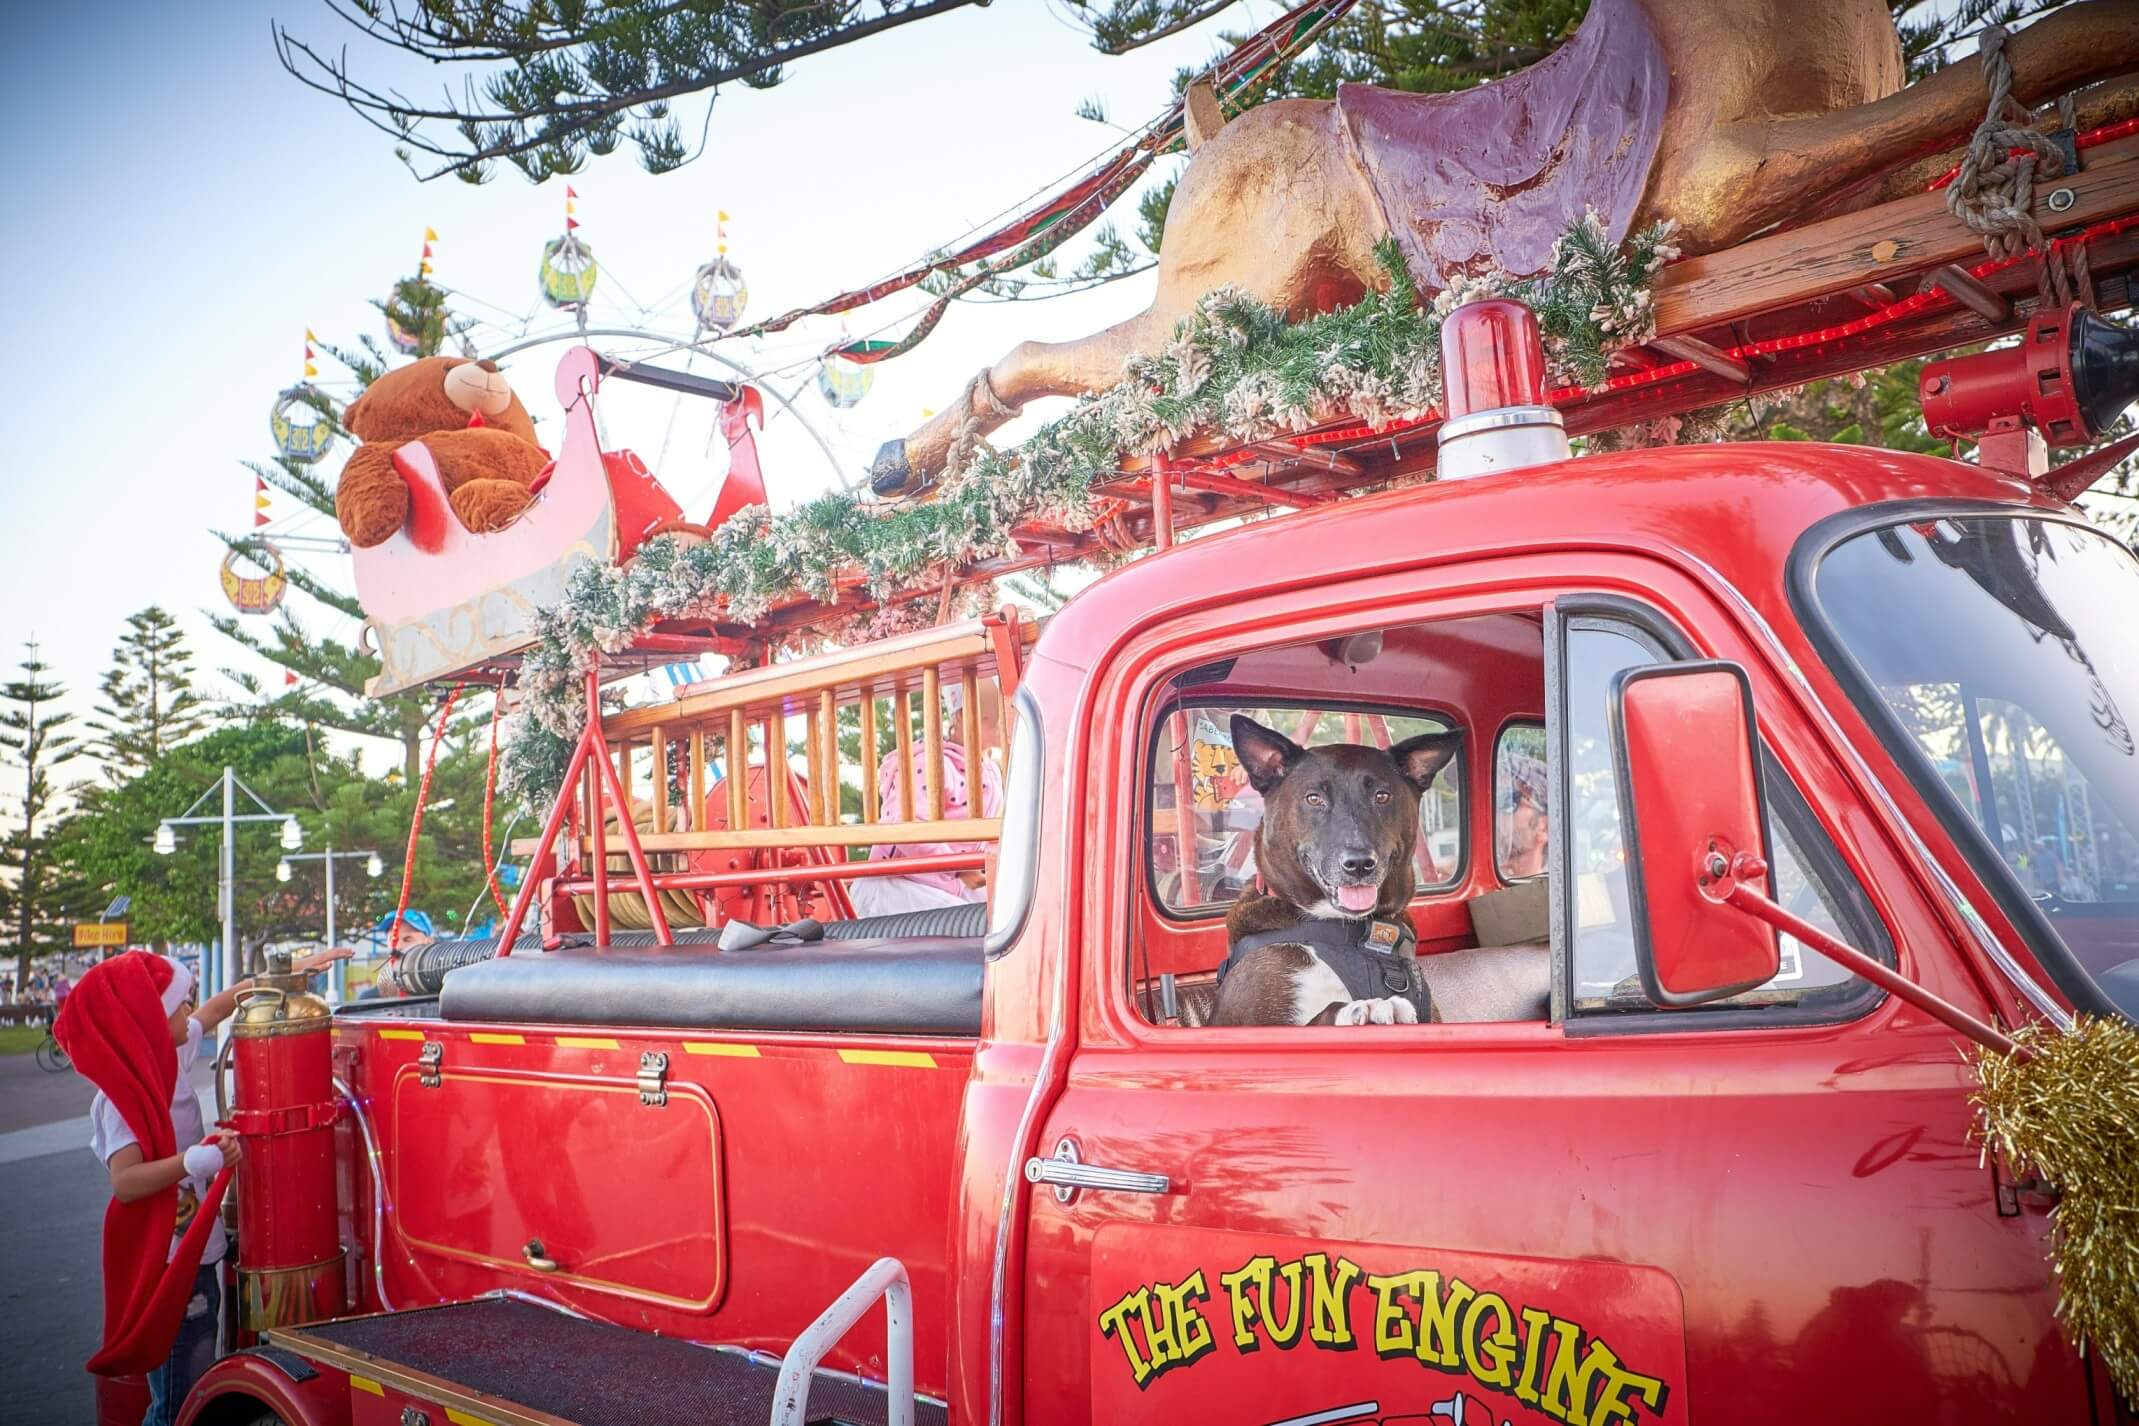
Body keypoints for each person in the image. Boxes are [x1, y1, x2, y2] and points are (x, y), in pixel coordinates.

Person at [56, 947, 349, 1424]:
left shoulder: (168, 1053)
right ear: (146, 1021)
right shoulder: (119, 1099)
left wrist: (281, 977)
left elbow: (218, 1007)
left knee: (193, 1364)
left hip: (194, 1248)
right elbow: (126, 1182)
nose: (190, 1012)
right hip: (165, 1262)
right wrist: (194, 1159)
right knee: (176, 1395)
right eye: (179, 1005)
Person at [848, 738, 1005, 919]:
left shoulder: (990, 770)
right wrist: (960, 868)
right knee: (979, 923)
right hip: (894, 885)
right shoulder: (931, 763)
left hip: (947, 883)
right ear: (960, 714)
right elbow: (902, 827)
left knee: (1008, 916)